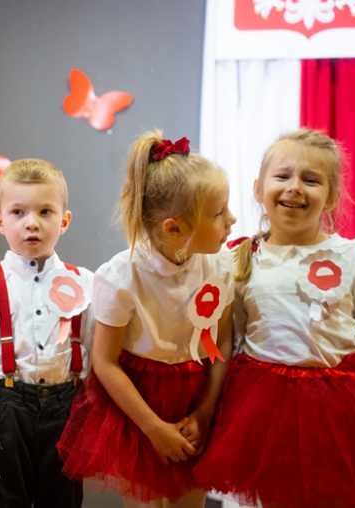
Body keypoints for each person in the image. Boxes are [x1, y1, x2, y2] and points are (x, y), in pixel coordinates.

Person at [195, 129, 355, 508]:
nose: (295, 188)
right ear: (259, 188)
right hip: (265, 414)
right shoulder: (238, 261)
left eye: (311, 180)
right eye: (283, 177)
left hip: (342, 413)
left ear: (332, 197)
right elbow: (234, 344)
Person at [57, 131, 236, 508]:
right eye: (219, 214)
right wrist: (154, 428)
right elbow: (104, 363)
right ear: (174, 228)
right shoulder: (120, 276)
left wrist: (205, 412)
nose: (232, 220)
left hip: (196, 396)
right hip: (141, 405)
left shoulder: (220, 264)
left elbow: (221, 344)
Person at [0, 158, 94, 508]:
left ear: (64, 220)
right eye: (18, 212)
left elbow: (96, 363)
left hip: (67, 414)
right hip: (5, 413)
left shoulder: (87, 283)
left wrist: (89, 431)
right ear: (0, 221)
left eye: (46, 212)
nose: (32, 223)